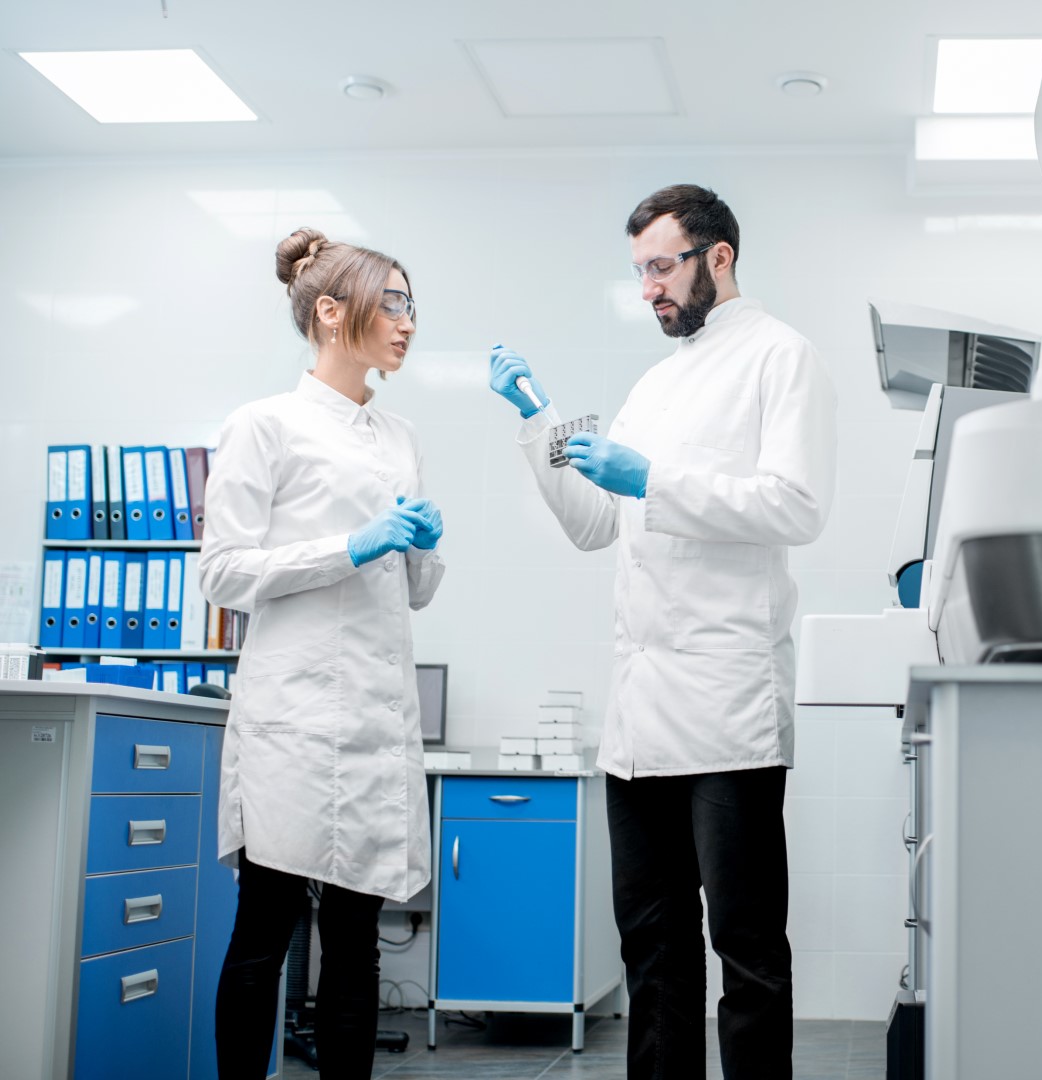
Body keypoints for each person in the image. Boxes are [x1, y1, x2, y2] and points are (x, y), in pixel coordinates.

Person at [488, 184, 837, 1077]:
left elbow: (795, 507)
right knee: (652, 946)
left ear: (718, 258)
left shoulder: (780, 357)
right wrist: (537, 424)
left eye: (660, 266)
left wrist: (655, 481)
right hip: (638, 723)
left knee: (748, 952)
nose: (647, 288)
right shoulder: (651, 383)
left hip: (727, 708)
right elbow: (595, 525)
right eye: (639, 270)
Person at [200, 228, 445, 1079]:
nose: (411, 322)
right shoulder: (263, 426)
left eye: (414, 304)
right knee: (264, 933)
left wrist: (419, 548)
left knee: (356, 947)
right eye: (398, 302)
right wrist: (356, 543)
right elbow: (224, 574)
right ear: (333, 311)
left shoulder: (401, 437)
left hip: (376, 729)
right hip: (294, 725)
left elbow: (413, 591)